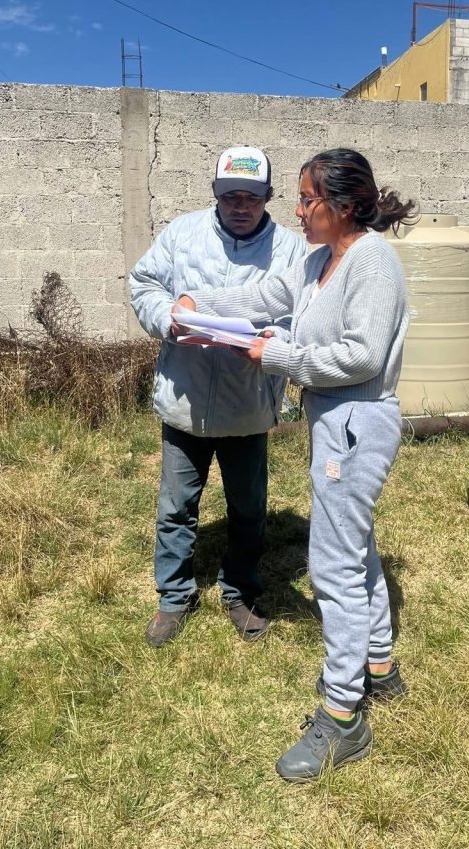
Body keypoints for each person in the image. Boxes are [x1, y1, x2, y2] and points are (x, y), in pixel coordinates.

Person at [172, 148, 417, 782]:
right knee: (355, 545)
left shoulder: (372, 262)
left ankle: (342, 715)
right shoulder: (317, 261)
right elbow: (265, 294)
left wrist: (278, 355)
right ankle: (379, 666)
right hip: (333, 420)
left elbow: (361, 357)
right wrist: (197, 303)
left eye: (308, 199)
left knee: (332, 566)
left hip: (357, 421)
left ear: (343, 205)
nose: (298, 211)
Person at [129, 146, 306, 645]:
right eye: (230, 197)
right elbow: (144, 283)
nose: (240, 207)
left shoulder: (291, 251)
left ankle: (239, 592)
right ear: (215, 194)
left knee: (247, 508)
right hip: (184, 401)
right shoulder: (182, 234)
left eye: (251, 197)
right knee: (176, 507)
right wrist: (167, 319)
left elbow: (301, 316)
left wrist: (270, 342)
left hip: (247, 405)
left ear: (269, 197)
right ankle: (174, 598)